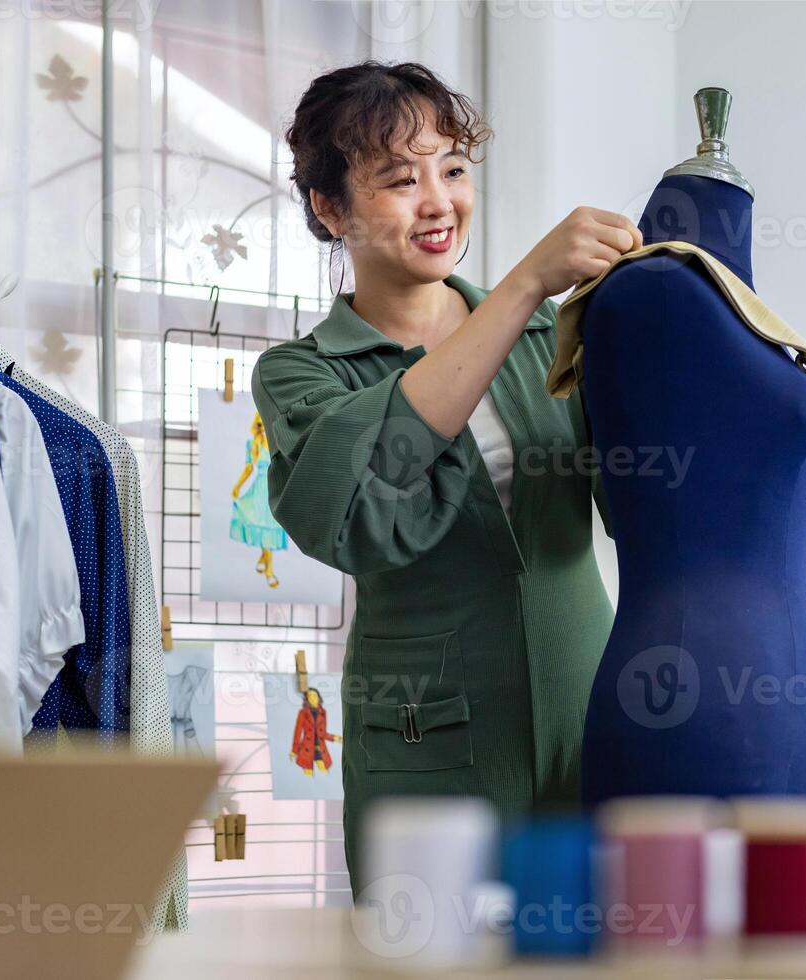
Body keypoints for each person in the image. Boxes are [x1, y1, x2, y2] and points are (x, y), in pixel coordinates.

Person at [250, 60, 643, 890]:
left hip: (591, 714)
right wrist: (528, 280)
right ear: (329, 208)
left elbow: (643, 501)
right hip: (428, 743)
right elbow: (356, 516)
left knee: (601, 951)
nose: (439, 202)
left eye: (453, 170)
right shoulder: (303, 374)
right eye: (398, 179)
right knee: (429, 956)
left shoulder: (553, 336)